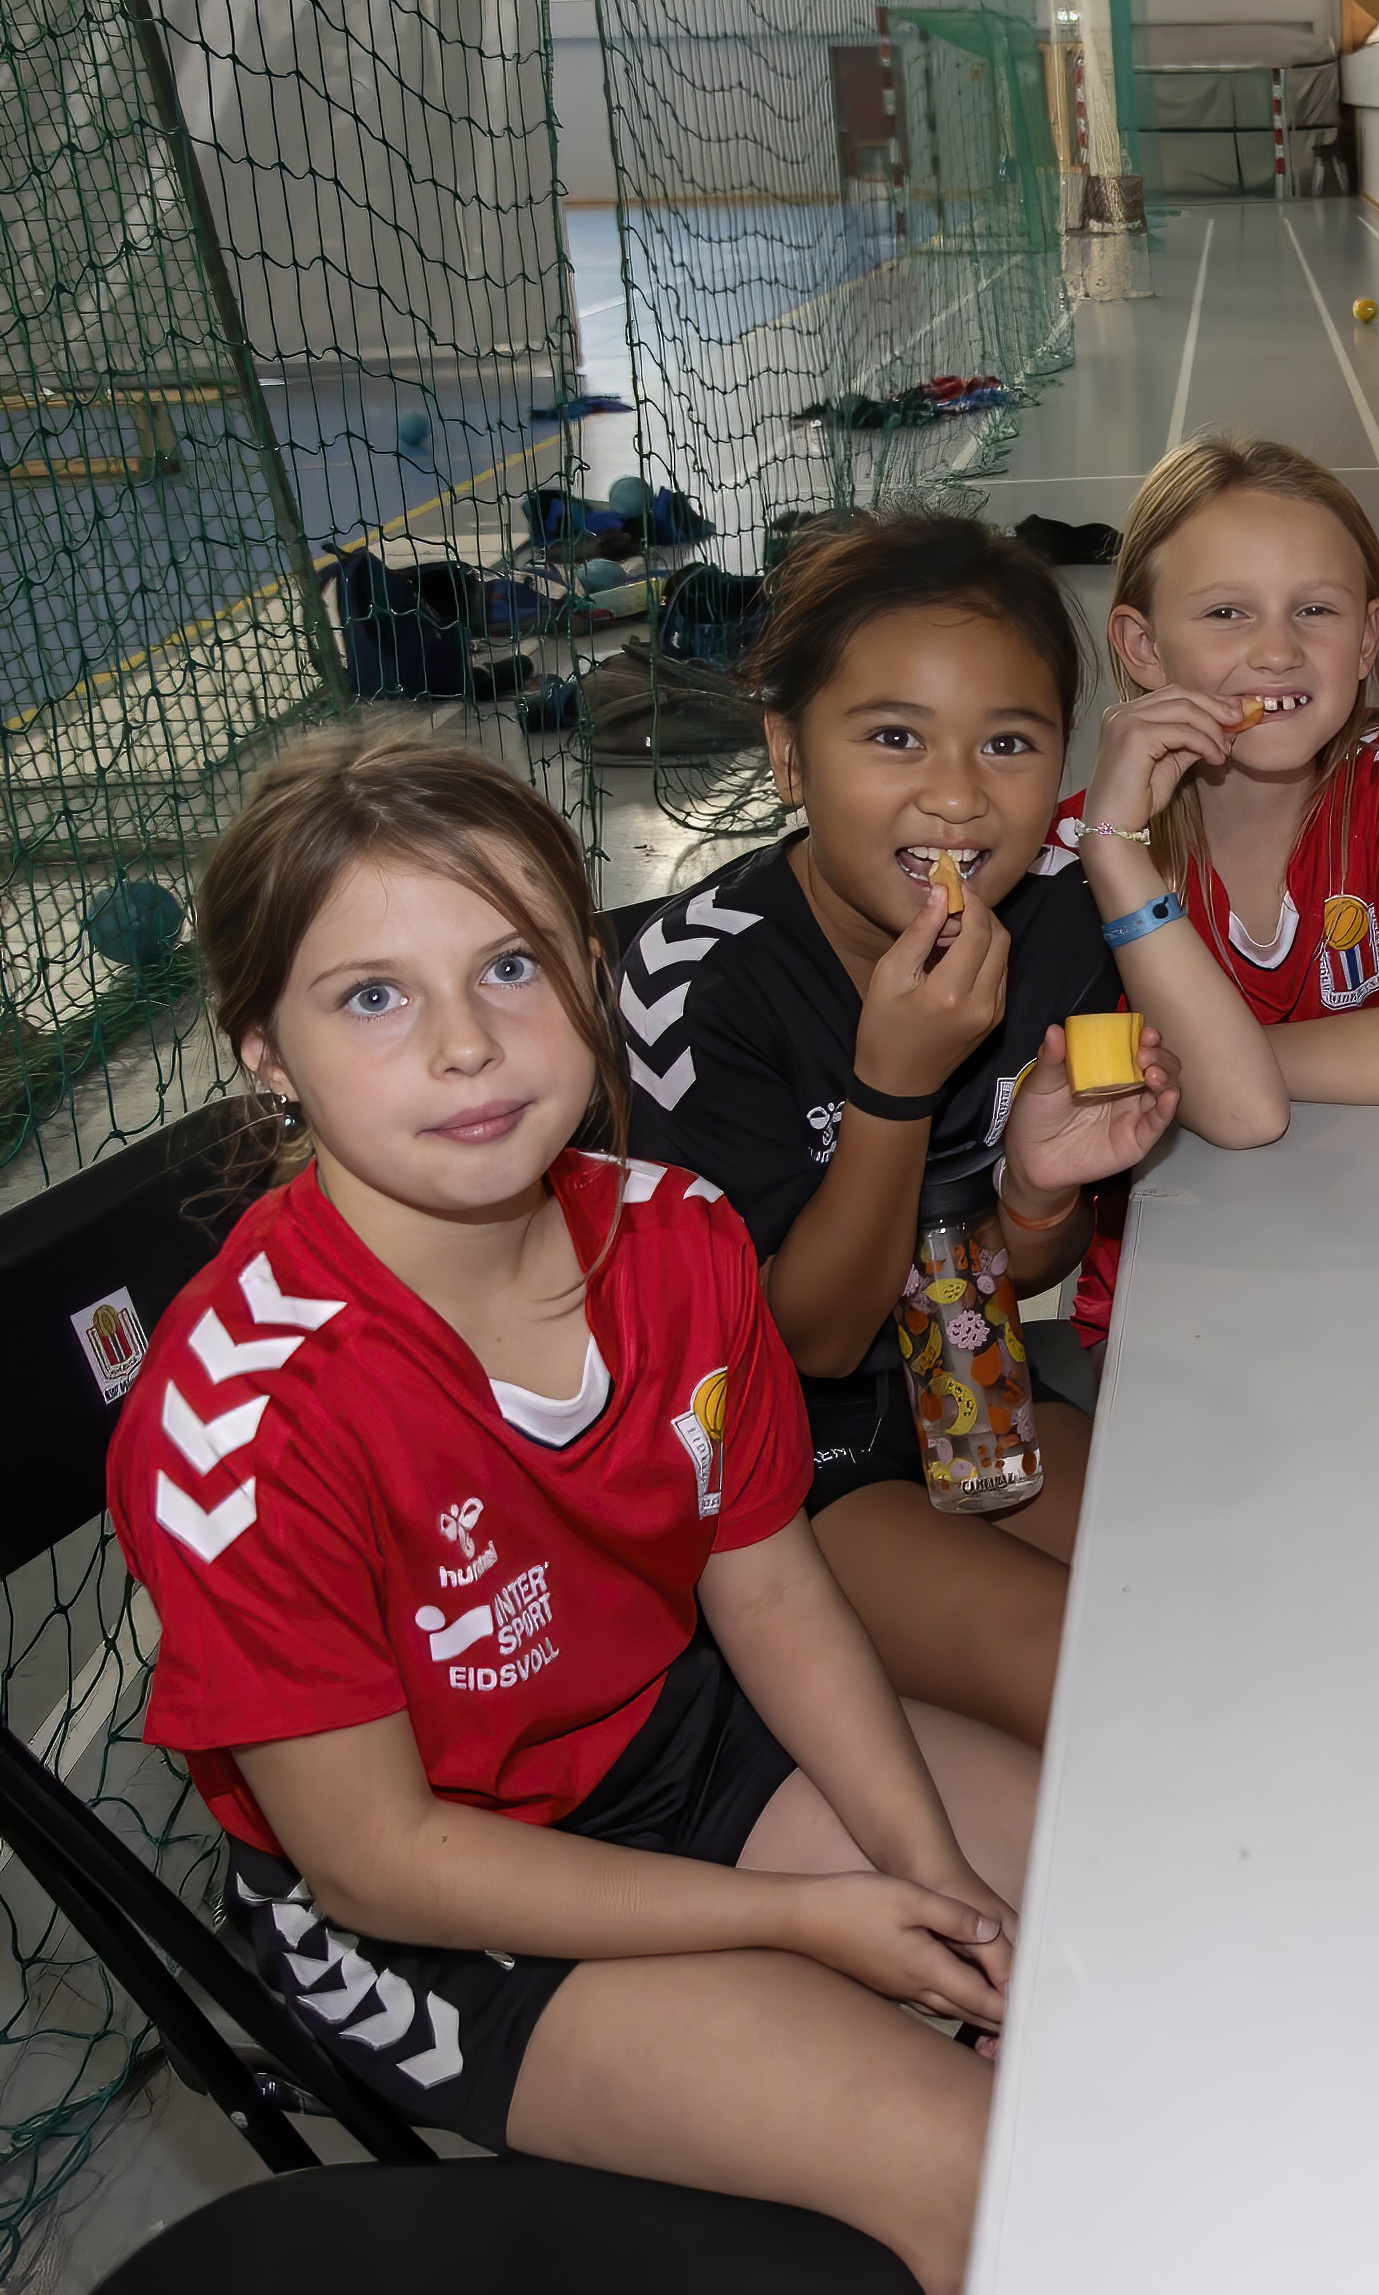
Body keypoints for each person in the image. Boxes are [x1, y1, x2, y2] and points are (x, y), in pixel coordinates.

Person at [111, 729, 1033, 2292]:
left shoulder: (680, 1236)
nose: (466, 1046)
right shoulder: (245, 1420)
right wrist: (807, 1920)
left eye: (512, 966)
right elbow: (380, 1859)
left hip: (672, 1735)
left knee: (1117, 1929)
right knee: (991, 2178)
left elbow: (772, 1591)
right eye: (373, 996)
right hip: (435, 1899)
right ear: (265, 1048)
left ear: (589, 976)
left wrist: (921, 1867)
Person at [623, 511, 1184, 1749]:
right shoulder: (694, 984)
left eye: (1008, 743)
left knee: (1210, 1596)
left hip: (972, 1378)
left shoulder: (1059, 924)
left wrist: (1037, 1191)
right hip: (776, 1463)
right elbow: (811, 1342)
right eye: (893, 738)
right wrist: (892, 1089)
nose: (956, 796)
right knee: (1107, 1691)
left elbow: (1019, 1265)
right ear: (787, 755)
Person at [1084, 432, 1379, 1096]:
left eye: (1314, 609)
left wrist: (1213, 1064)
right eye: (1226, 612)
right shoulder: (1076, 856)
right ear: (1144, 646)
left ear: (1366, 640)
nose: (1277, 653)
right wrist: (1117, 854)